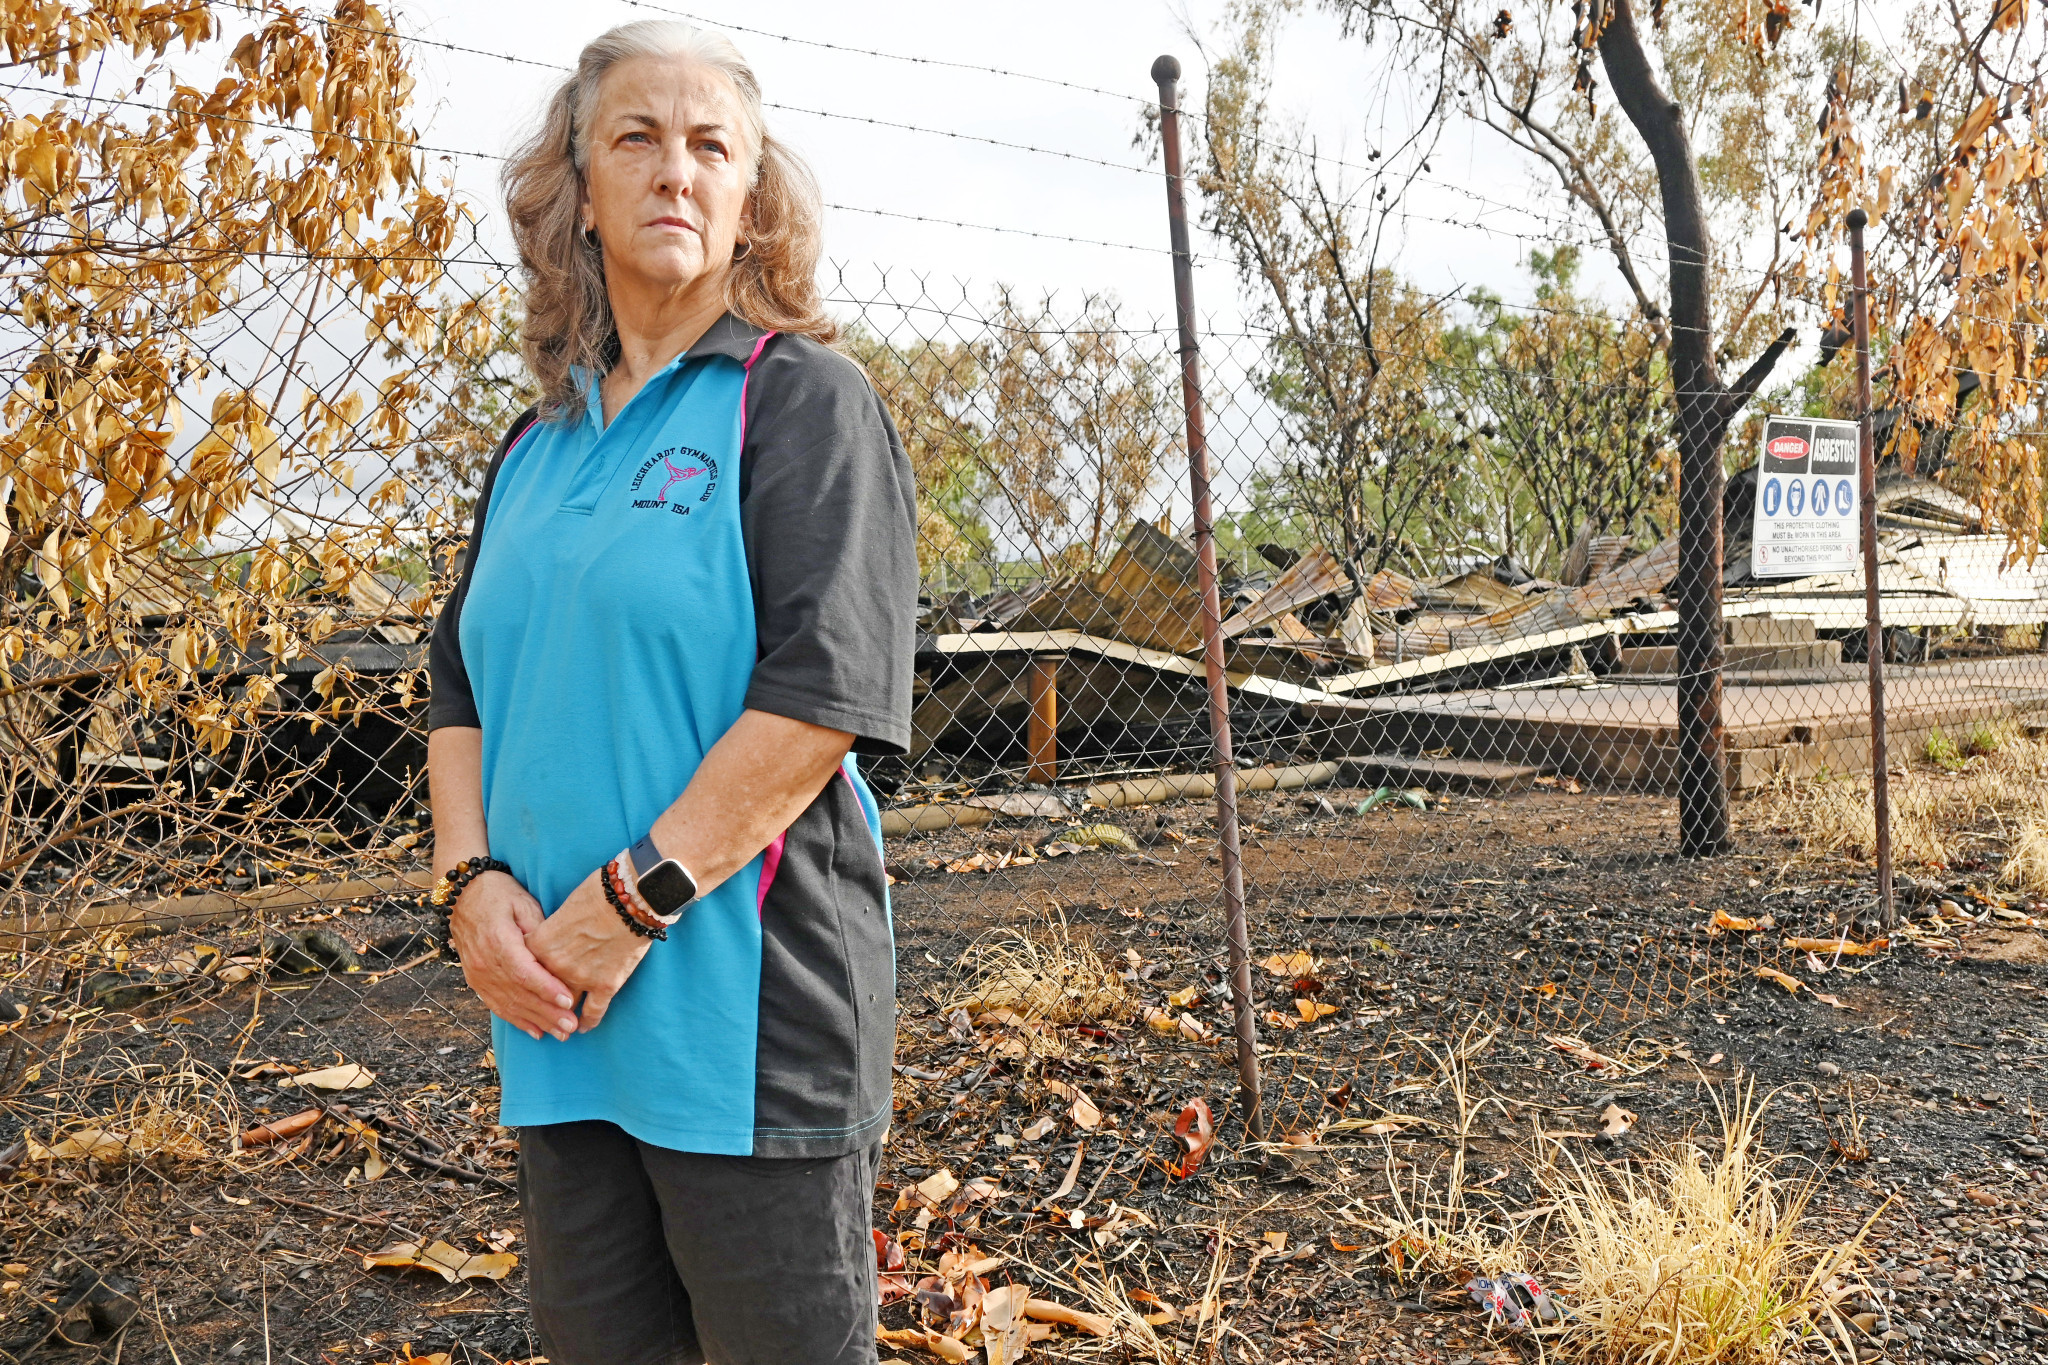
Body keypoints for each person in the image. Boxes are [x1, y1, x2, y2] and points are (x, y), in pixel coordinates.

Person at [425, 19, 917, 1364]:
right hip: (556, 1018)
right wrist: (472, 895)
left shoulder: (802, 402)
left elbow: (823, 699)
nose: (675, 171)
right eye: (636, 137)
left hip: (742, 1026)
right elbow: (456, 691)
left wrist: (627, 903)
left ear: (753, 196)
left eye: (712, 146)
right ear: (579, 184)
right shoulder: (534, 444)